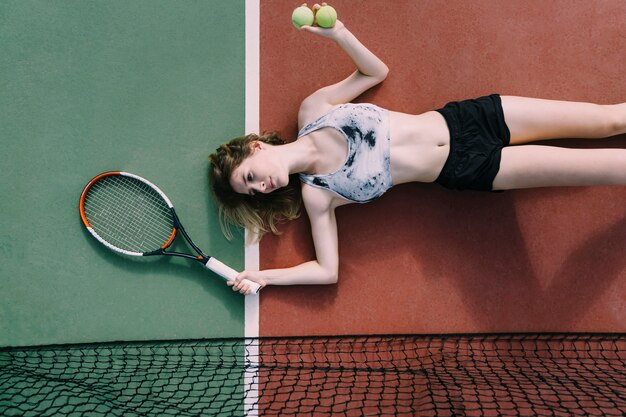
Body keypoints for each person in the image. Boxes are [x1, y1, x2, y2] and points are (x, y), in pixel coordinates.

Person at [209, 17, 626, 295]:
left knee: (608, 120)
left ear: (255, 147)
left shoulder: (314, 110)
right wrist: (264, 277)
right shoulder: (319, 196)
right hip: (471, 168)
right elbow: (326, 271)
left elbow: (375, 73)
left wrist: (338, 33)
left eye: (249, 177)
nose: (260, 187)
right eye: (254, 192)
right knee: (610, 168)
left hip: (469, 119)